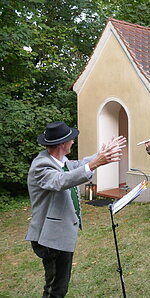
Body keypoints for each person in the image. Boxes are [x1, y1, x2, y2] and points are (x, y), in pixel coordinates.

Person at [26, 121, 126, 297]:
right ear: (62, 144)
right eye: (71, 140)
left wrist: (103, 154)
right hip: (50, 237)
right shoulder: (41, 165)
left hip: (59, 234)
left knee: (60, 286)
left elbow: (80, 165)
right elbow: (60, 181)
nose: (73, 142)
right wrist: (95, 163)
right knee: (55, 289)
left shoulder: (60, 161)